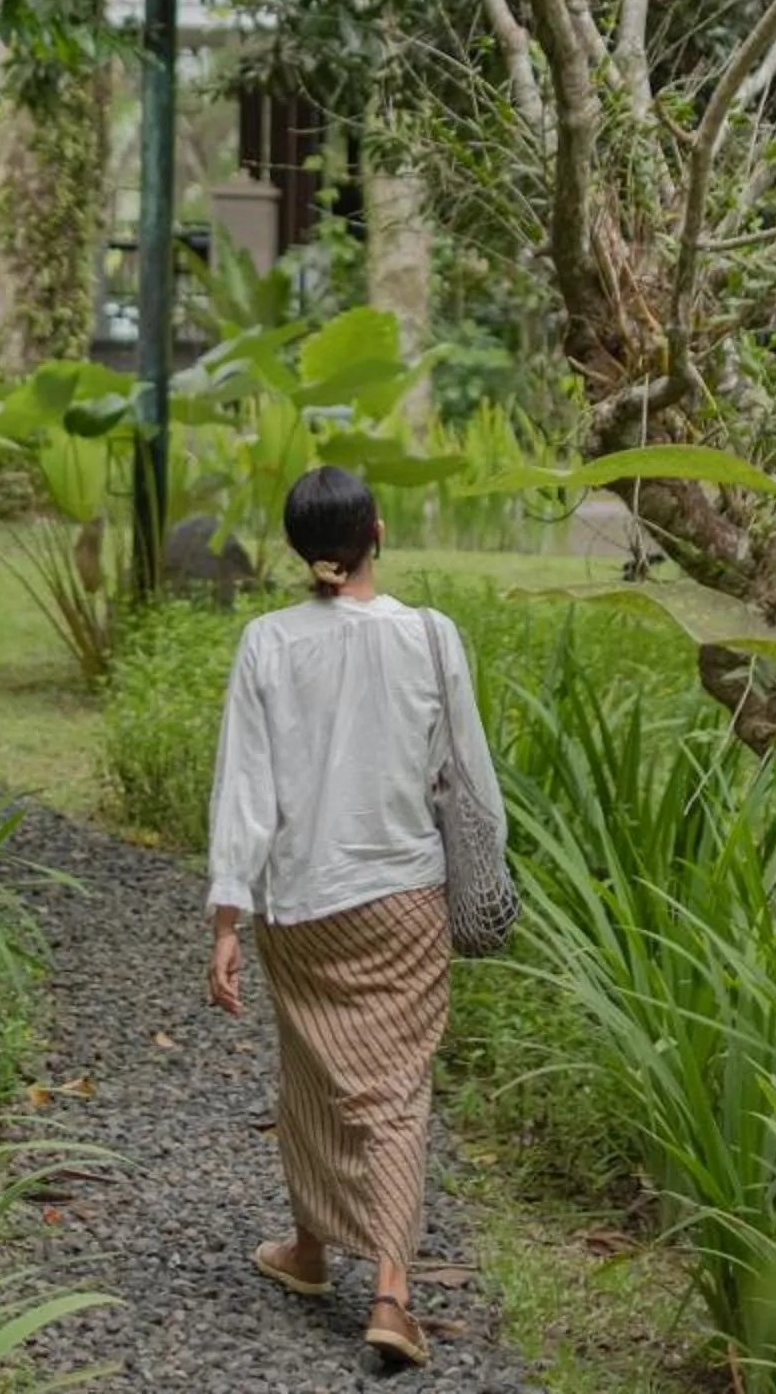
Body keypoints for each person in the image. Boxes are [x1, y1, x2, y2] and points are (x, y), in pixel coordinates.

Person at [203, 464, 506, 1371]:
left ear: (302, 549)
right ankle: (390, 1295)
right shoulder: (431, 635)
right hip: (402, 897)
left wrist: (227, 917)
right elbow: (466, 774)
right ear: (377, 530)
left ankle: (308, 1248)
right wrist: (480, 880)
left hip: (299, 905)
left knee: (314, 1071)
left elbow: (245, 790)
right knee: (394, 1092)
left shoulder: (268, 640)